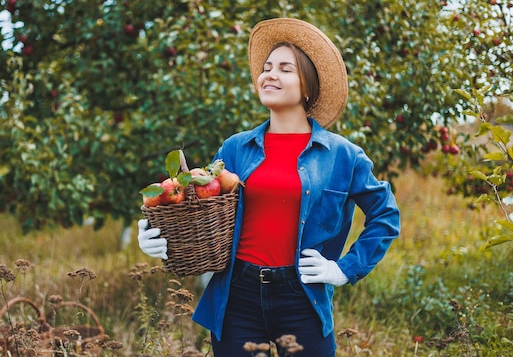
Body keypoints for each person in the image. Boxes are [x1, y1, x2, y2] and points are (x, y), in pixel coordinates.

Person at [137, 18, 401, 357]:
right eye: (267, 67)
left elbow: (385, 215)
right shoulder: (235, 148)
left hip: (302, 295)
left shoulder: (343, 155)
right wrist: (159, 233)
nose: (270, 74)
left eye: (285, 69)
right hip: (237, 296)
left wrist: (344, 269)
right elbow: (198, 205)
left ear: (307, 87)